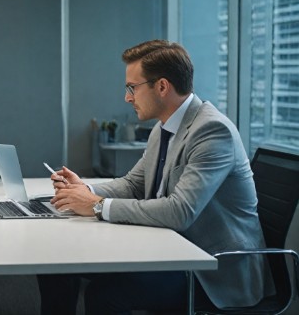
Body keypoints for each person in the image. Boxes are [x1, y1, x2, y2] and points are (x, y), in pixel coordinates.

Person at [48, 40, 274, 313]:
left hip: (212, 269)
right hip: (170, 249)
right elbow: (134, 184)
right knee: (59, 266)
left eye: (132, 88)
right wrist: (83, 190)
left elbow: (180, 211)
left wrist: (96, 206)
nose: (127, 97)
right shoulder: (163, 127)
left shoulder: (212, 131)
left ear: (162, 87)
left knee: (105, 294)